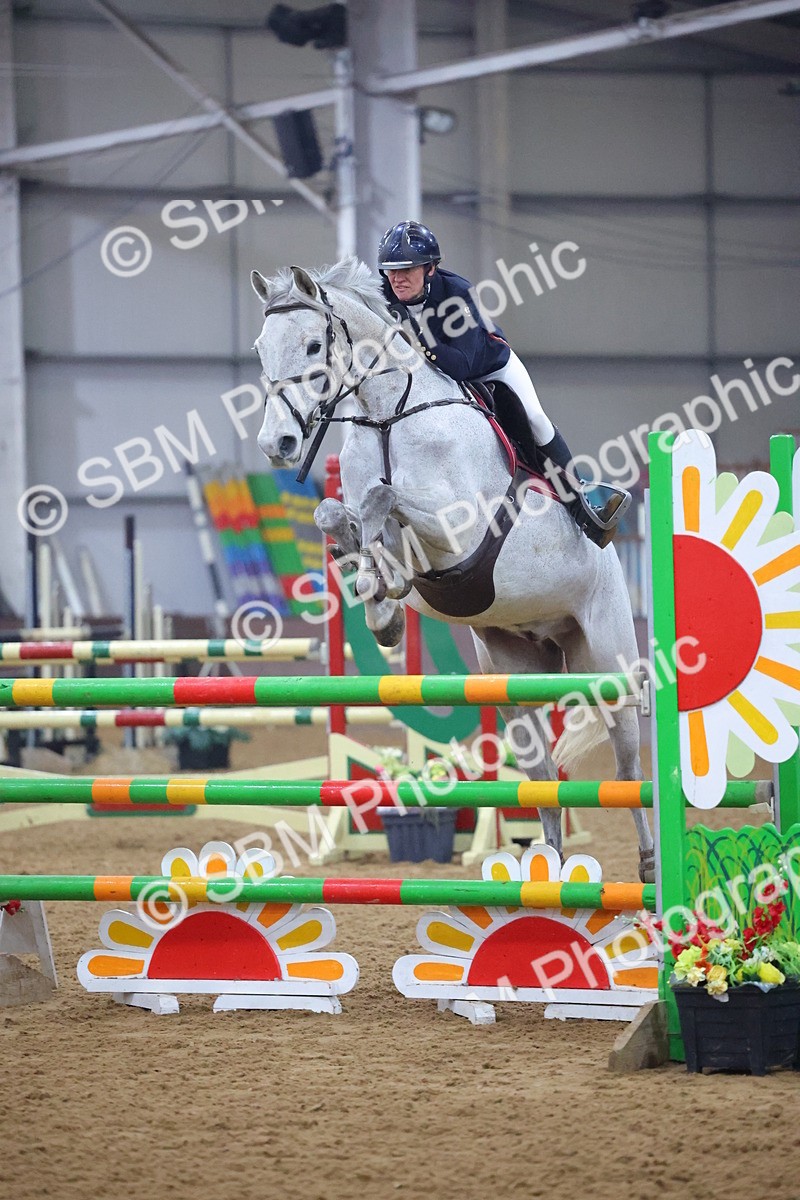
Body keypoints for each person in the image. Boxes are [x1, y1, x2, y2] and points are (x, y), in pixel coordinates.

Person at [377, 220, 629, 547]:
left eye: (407, 269)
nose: (396, 278)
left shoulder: (458, 294)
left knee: (536, 420)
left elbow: (462, 365)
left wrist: (418, 338)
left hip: (489, 368)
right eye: (390, 270)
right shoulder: (382, 295)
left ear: (429, 268)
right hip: (434, 376)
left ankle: (580, 498)